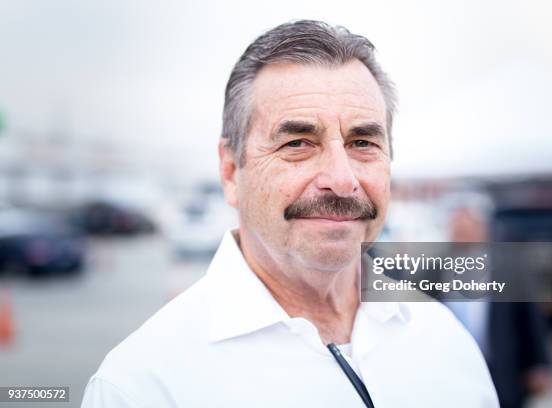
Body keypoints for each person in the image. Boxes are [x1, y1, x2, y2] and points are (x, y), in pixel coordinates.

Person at [82, 20, 499, 407]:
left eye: (362, 143)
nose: (342, 179)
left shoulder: (444, 339)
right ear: (230, 171)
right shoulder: (144, 385)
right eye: (298, 143)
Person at [445, 206, 552, 408]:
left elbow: (531, 317)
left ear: (482, 231)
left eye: (465, 230)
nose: (460, 236)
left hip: (502, 366)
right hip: (455, 368)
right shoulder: (438, 269)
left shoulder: (509, 268)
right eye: (456, 230)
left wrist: (539, 364)